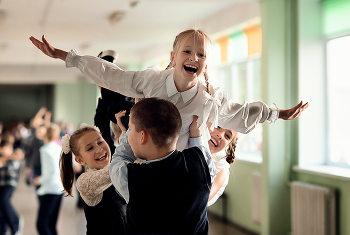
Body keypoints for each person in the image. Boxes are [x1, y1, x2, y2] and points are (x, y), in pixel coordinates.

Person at [29, 30, 308, 153]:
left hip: (180, 167)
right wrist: (69, 57)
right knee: (114, 101)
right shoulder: (153, 79)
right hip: (145, 154)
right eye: (187, 51)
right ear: (173, 57)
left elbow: (241, 112)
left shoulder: (210, 97)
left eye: (201, 55)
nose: (194, 58)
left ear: (206, 63)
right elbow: (112, 76)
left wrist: (277, 113)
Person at [109, 97, 215, 235]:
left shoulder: (129, 178)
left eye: (130, 129)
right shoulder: (203, 162)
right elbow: (199, 148)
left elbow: (119, 158)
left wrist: (138, 114)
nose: (128, 135)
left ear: (142, 136)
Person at [60, 124, 126, 235]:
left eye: (100, 142)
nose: (99, 149)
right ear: (80, 160)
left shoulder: (115, 169)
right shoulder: (84, 182)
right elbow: (118, 167)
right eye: (90, 148)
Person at [34, 124, 64, 235]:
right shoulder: (60, 149)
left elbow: (51, 172)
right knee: (52, 223)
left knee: (41, 224)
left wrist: (39, 180)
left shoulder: (45, 150)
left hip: (50, 188)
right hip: (60, 187)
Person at [0, 134, 24, 235]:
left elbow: (19, 157)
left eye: (4, 149)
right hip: (1, 183)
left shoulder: (16, 153)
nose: (2, 151)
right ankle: (3, 229)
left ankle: (15, 222)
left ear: (10, 148)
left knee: (3, 200)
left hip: (10, 183)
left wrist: (4, 159)